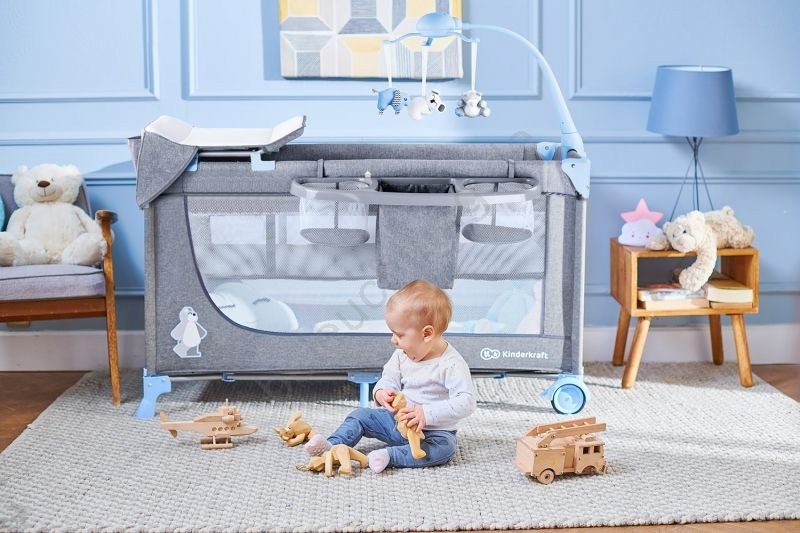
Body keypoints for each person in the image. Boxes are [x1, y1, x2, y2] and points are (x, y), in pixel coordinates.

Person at [304, 279, 477, 473]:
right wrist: (382, 392)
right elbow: (389, 377)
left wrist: (427, 413)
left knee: (444, 450)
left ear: (427, 333)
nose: (393, 340)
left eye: (400, 335)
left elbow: (467, 402)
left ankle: (390, 455)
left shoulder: (451, 364)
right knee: (360, 415)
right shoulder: (402, 354)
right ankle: (332, 445)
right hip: (396, 423)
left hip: (433, 433)